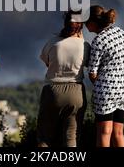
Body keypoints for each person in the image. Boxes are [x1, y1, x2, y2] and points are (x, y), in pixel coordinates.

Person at [85, 6, 124, 147]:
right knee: (119, 133)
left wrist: (103, 80)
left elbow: (92, 73)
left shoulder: (98, 40)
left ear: (93, 22)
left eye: (86, 21)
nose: (84, 25)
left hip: (106, 91)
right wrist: (122, 70)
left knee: (104, 132)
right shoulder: (120, 32)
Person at [37, 11, 90, 147]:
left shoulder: (53, 42)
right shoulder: (85, 46)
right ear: (81, 26)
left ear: (65, 23)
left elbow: (47, 62)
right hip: (75, 91)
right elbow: (88, 64)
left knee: (45, 137)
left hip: (53, 90)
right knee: (71, 137)